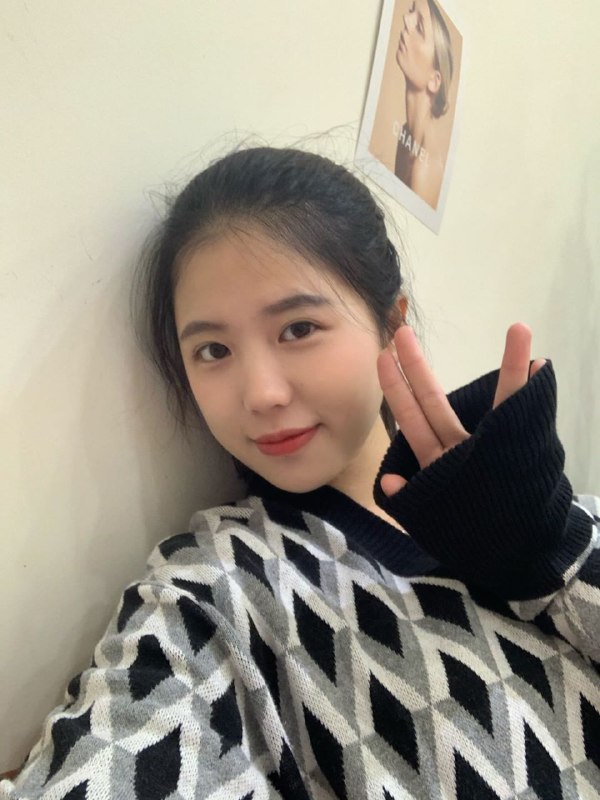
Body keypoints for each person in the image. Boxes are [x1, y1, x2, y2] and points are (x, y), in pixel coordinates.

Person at [2, 146, 599, 800]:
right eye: (213, 349)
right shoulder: (216, 586)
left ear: (390, 324)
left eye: (298, 328)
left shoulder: (545, 511)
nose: (261, 394)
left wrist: (552, 553)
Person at [394, 0, 454, 209]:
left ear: (435, 81)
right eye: (411, 11)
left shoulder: (424, 169)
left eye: (419, 27)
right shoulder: (405, 134)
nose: (406, 19)